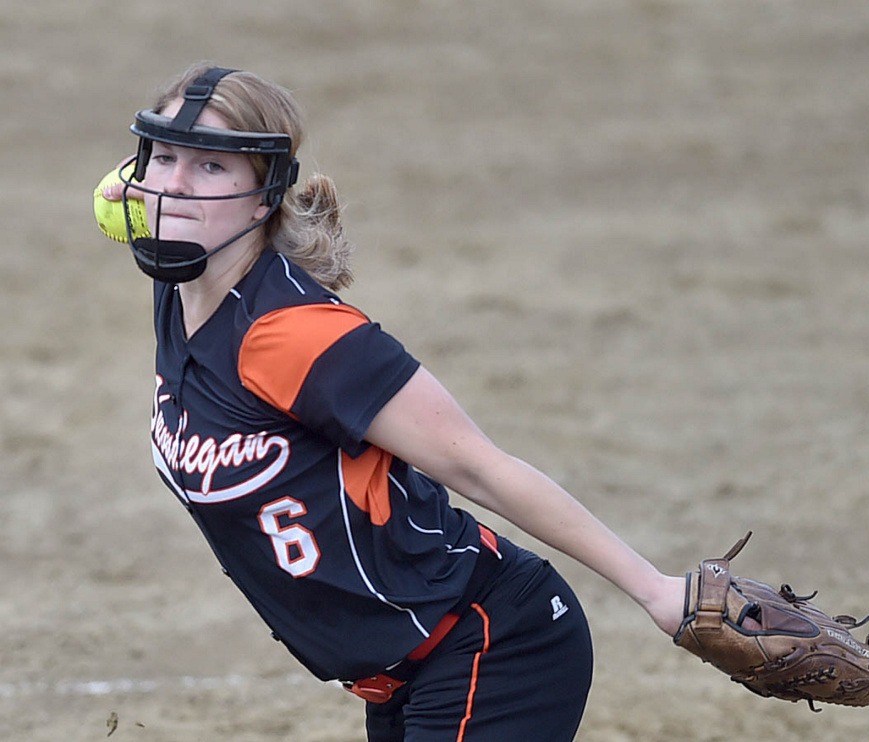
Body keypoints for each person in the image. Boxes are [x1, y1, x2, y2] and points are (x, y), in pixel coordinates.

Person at [99, 63, 734, 742]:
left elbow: (479, 467)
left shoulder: (297, 336)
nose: (173, 186)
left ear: (263, 198)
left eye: (211, 167)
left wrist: (655, 590)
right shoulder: (179, 290)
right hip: (403, 678)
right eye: (163, 156)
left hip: (491, 647)